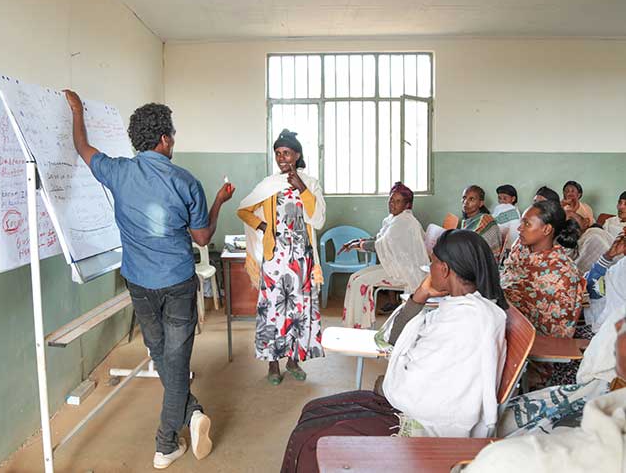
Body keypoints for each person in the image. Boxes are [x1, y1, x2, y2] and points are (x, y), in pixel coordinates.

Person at [64, 91, 233, 469]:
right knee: (174, 359)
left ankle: (191, 414)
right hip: (176, 283)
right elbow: (202, 238)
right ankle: (165, 441)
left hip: (139, 284)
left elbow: (81, 146)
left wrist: (76, 112)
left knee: (161, 356)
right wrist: (220, 200)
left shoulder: (118, 171)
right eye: (172, 135)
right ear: (165, 139)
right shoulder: (185, 180)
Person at [280, 230, 508, 473]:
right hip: (404, 403)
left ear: (444, 269)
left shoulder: (468, 321)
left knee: (311, 440)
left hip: (424, 423)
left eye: (432, 262)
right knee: (312, 410)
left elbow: (429, 394)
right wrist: (418, 297)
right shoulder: (459, 308)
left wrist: (389, 383)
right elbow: (394, 338)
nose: (428, 269)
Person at [465, 258, 626, 473]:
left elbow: (590, 298)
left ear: (547, 229)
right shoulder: (521, 254)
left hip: (568, 350)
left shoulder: (562, 268)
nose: (618, 324)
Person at [237, 129, 326, 386]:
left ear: (297, 155)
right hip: (275, 259)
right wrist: (262, 227)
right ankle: (273, 365)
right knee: (273, 311)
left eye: (286, 153)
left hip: (302, 259)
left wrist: (302, 188)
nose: (282, 158)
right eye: (278, 154)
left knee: (298, 310)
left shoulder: (311, 183)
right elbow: (244, 210)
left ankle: (294, 361)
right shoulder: (269, 184)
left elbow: (318, 219)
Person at [339, 182, 429, 329]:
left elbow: (380, 245)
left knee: (359, 282)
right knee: (354, 278)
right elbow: (380, 240)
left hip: (407, 272)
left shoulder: (404, 221)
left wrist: (358, 245)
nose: (393, 204)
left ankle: (360, 326)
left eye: (398, 201)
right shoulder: (394, 219)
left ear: (407, 205)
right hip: (397, 267)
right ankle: (355, 324)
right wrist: (356, 242)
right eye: (391, 200)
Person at [501, 200, 584, 338]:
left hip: (529, 339)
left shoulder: (563, 273)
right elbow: (507, 277)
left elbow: (558, 332)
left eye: (526, 224)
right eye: (521, 222)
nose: (519, 228)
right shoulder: (520, 249)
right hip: (505, 319)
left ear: (546, 229)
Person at [460, 185, 503, 261]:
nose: (465, 202)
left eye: (471, 199)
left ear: (481, 203)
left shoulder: (486, 220)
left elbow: (475, 248)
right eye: (464, 198)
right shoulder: (466, 221)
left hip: (485, 263)